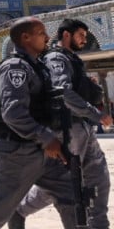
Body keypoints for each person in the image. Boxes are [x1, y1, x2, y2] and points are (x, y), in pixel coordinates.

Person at [0, 16, 77, 228]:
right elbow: (13, 112)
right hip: (19, 152)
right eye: (41, 33)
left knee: (72, 197)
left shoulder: (39, 66)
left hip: (47, 151)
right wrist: (46, 137)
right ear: (25, 37)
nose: (47, 37)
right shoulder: (14, 68)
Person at [8, 18, 112, 229]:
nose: (84, 40)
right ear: (66, 35)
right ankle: (18, 210)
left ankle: (99, 224)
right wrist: (95, 114)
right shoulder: (56, 58)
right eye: (81, 35)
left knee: (99, 177)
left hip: (83, 127)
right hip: (67, 128)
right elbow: (62, 91)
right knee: (61, 184)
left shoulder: (71, 58)